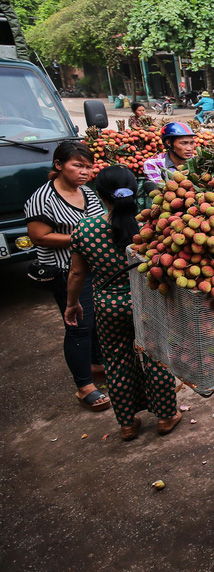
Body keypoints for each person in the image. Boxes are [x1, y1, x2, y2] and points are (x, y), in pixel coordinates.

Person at [65, 166, 180, 441]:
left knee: (116, 362)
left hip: (108, 305)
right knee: (156, 357)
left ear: (100, 194)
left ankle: (127, 423)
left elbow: (77, 273)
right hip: (147, 301)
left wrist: (72, 303)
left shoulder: (85, 229)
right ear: (134, 191)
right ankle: (166, 416)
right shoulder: (151, 227)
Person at [24, 141, 109, 412]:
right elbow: (39, 236)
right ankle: (84, 386)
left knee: (94, 321)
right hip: (65, 271)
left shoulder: (87, 192)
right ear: (59, 165)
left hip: (92, 267)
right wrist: (81, 239)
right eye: (78, 166)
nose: (85, 172)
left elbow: (99, 222)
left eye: (88, 167)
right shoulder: (43, 198)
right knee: (78, 326)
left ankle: (96, 365)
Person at [142, 122, 198, 194]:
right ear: (169, 143)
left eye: (192, 143)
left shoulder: (197, 163)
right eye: (183, 143)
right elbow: (161, 193)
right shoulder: (153, 164)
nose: (189, 148)